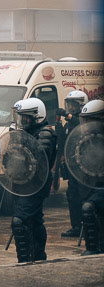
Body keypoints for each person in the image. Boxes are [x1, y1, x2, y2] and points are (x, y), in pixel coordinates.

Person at [10, 97, 57, 263]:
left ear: (37, 116)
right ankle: (38, 256)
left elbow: (38, 158)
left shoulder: (45, 133)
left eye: (26, 117)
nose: (22, 120)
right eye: (21, 116)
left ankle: (24, 259)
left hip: (37, 183)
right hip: (22, 183)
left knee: (19, 221)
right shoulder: (26, 133)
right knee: (35, 220)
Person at [56, 90, 88, 238]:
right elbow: (63, 140)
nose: (71, 108)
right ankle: (76, 226)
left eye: (74, 105)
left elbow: (79, 123)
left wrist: (67, 115)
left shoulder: (84, 120)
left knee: (84, 197)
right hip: (71, 165)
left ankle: (87, 225)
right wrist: (58, 124)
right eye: (70, 105)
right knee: (72, 196)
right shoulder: (69, 123)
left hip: (84, 168)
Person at [78, 99, 104, 256]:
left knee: (89, 208)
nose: (86, 125)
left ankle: (93, 249)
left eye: (90, 121)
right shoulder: (88, 140)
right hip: (92, 184)